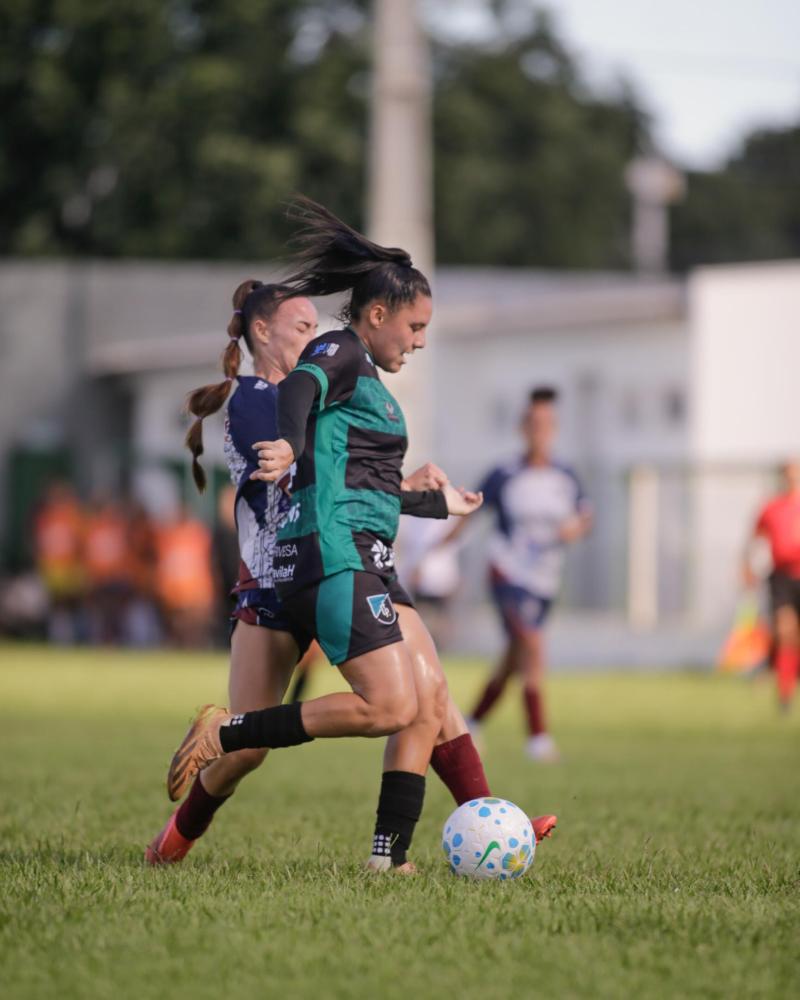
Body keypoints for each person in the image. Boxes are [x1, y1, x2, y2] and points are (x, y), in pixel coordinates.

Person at [159, 200, 556, 872]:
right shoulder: (268, 394)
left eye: (317, 323)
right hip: (284, 571)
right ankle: (175, 840)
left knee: (425, 692)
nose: (313, 334)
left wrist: (425, 498)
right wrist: (294, 444)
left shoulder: (333, 385)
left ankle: (475, 829)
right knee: (267, 742)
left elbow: (343, 478)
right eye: (300, 326)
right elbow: (306, 476)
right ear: (263, 331)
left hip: (338, 555)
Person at [465, 387, 592, 762]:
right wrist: (434, 550)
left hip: (545, 579)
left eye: (546, 424)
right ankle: (538, 737)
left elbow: (585, 515)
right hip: (507, 572)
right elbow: (469, 512)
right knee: (533, 646)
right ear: (523, 428)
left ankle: (472, 721)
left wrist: (577, 528)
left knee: (513, 658)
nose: (539, 430)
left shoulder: (565, 475)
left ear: (553, 428)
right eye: (533, 423)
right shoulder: (505, 473)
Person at [742, 460, 800, 710]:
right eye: (788, 475)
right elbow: (754, 540)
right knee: (785, 631)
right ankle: (785, 697)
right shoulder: (771, 508)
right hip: (782, 577)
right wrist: (747, 568)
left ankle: (773, 668)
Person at [32, 480, 85, 644]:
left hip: (68, 567)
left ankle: (72, 636)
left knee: (70, 604)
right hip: (53, 568)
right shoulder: (46, 518)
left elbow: (79, 542)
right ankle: (59, 637)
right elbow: (40, 543)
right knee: (57, 605)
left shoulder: (72, 517)